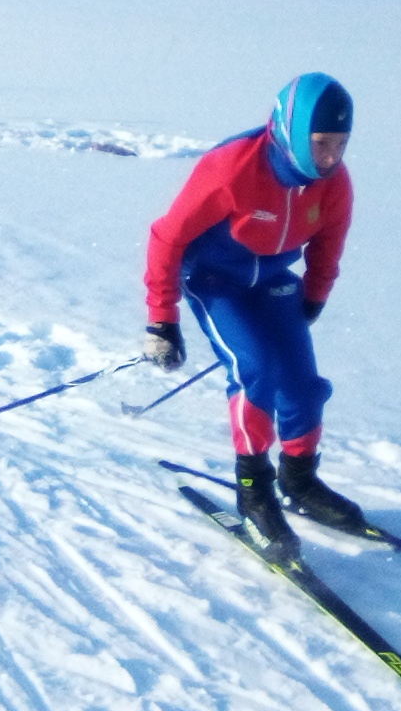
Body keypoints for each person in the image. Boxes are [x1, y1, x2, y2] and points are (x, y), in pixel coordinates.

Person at [142, 73, 364, 547]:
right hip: (215, 281)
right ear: (292, 131)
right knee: (256, 371)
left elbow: (328, 246)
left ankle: (299, 481)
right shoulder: (233, 167)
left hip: (275, 284)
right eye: (321, 144)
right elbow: (168, 236)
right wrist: (163, 319)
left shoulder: (334, 183)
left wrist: (314, 299)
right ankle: (254, 488)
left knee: (303, 386)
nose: (330, 158)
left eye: (340, 145)